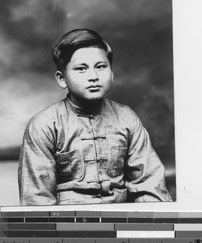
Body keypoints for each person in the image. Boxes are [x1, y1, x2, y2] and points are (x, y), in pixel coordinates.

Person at [18, 28, 172, 205]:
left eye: (100, 67)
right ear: (62, 78)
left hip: (120, 224)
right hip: (68, 227)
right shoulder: (44, 124)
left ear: (112, 72)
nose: (93, 76)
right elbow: (37, 199)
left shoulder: (126, 118)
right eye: (81, 69)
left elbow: (150, 185)